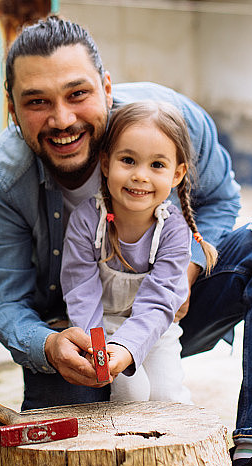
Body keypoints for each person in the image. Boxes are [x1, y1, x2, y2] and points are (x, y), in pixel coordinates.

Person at [0, 15, 252, 466]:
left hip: (176, 310)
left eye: (78, 94)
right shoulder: (1, 180)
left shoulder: (167, 120)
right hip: (79, 338)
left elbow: (220, 200)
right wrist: (50, 347)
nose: (63, 119)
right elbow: (7, 304)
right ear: (11, 108)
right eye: (37, 102)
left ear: (107, 87)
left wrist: (189, 271)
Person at [61, 100, 218, 404]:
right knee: (131, 393)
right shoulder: (86, 221)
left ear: (177, 173)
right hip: (103, 328)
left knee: (166, 394)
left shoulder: (173, 229)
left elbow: (160, 301)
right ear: (106, 163)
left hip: (156, 326)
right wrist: (98, 350)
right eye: (128, 160)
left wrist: (129, 347)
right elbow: (81, 292)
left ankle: (173, 451)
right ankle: (129, 452)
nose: (140, 176)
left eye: (157, 165)